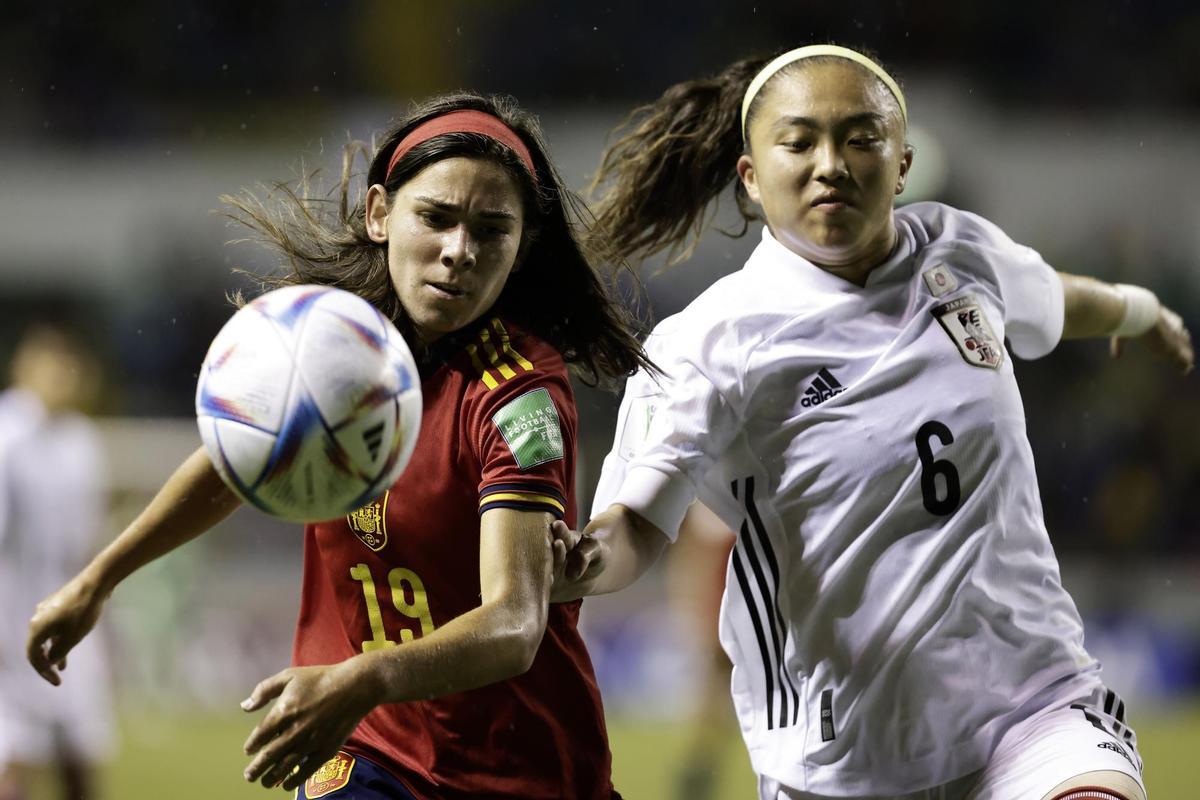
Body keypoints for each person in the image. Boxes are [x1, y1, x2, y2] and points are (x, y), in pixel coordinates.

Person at [552, 45, 1195, 800]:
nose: (831, 163)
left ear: (901, 163)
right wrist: (573, 564)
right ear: (751, 180)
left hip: (1032, 706)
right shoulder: (710, 344)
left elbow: (1052, 296)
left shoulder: (962, 252)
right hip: (849, 756)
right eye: (799, 142)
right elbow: (634, 530)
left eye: (861, 138)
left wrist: (1142, 311)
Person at [26, 92, 651, 800]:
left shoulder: (518, 392)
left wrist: (366, 676)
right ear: (380, 213)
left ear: (521, 245)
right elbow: (234, 465)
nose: (458, 252)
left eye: (491, 229)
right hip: (370, 747)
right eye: (436, 217)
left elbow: (513, 624)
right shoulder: (326, 339)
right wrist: (98, 579)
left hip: (517, 768)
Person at [0, 324, 115, 800]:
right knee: (13, 752)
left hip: (70, 609)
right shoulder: (7, 436)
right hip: (10, 612)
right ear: (25, 367)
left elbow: (89, 538)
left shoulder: (81, 443)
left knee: (81, 750)